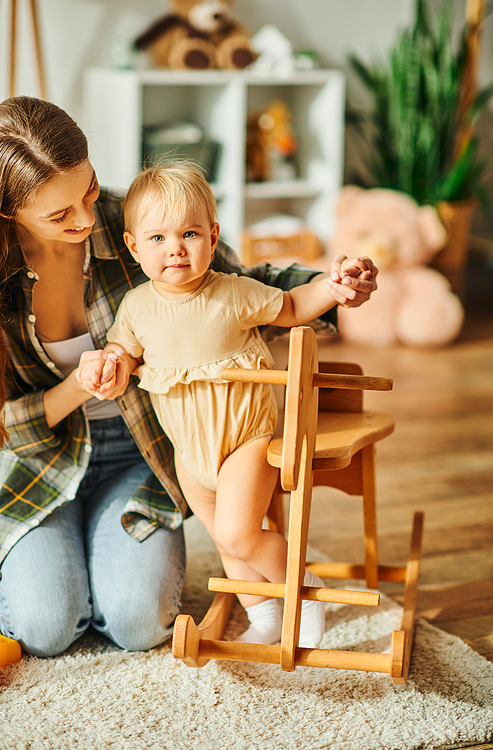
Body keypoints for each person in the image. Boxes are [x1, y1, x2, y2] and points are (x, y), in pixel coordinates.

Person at [0, 95, 378, 658]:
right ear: (9, 214)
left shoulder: (148, 218)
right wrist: (86, 381)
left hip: (151, 446)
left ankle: (285, 594)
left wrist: (333, 284)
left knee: (138, 623)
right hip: (46, 456)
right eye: (59, 215)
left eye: (87, 189)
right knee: (44, 627)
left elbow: (246, 287)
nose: (86, 217)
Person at [76, 163, 374, 648]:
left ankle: (308, 590)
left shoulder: (232, 294)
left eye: (190, 233)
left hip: (246, 438)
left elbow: (295, 307)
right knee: (226, 541)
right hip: (189, 452)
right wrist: (106, 365)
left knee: (239, 533)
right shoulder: (135, 307)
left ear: (213, 237)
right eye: (157, 238)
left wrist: (332, 285)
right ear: (133, 246)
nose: (175, 248)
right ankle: (266, 617)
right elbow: (122, 354)